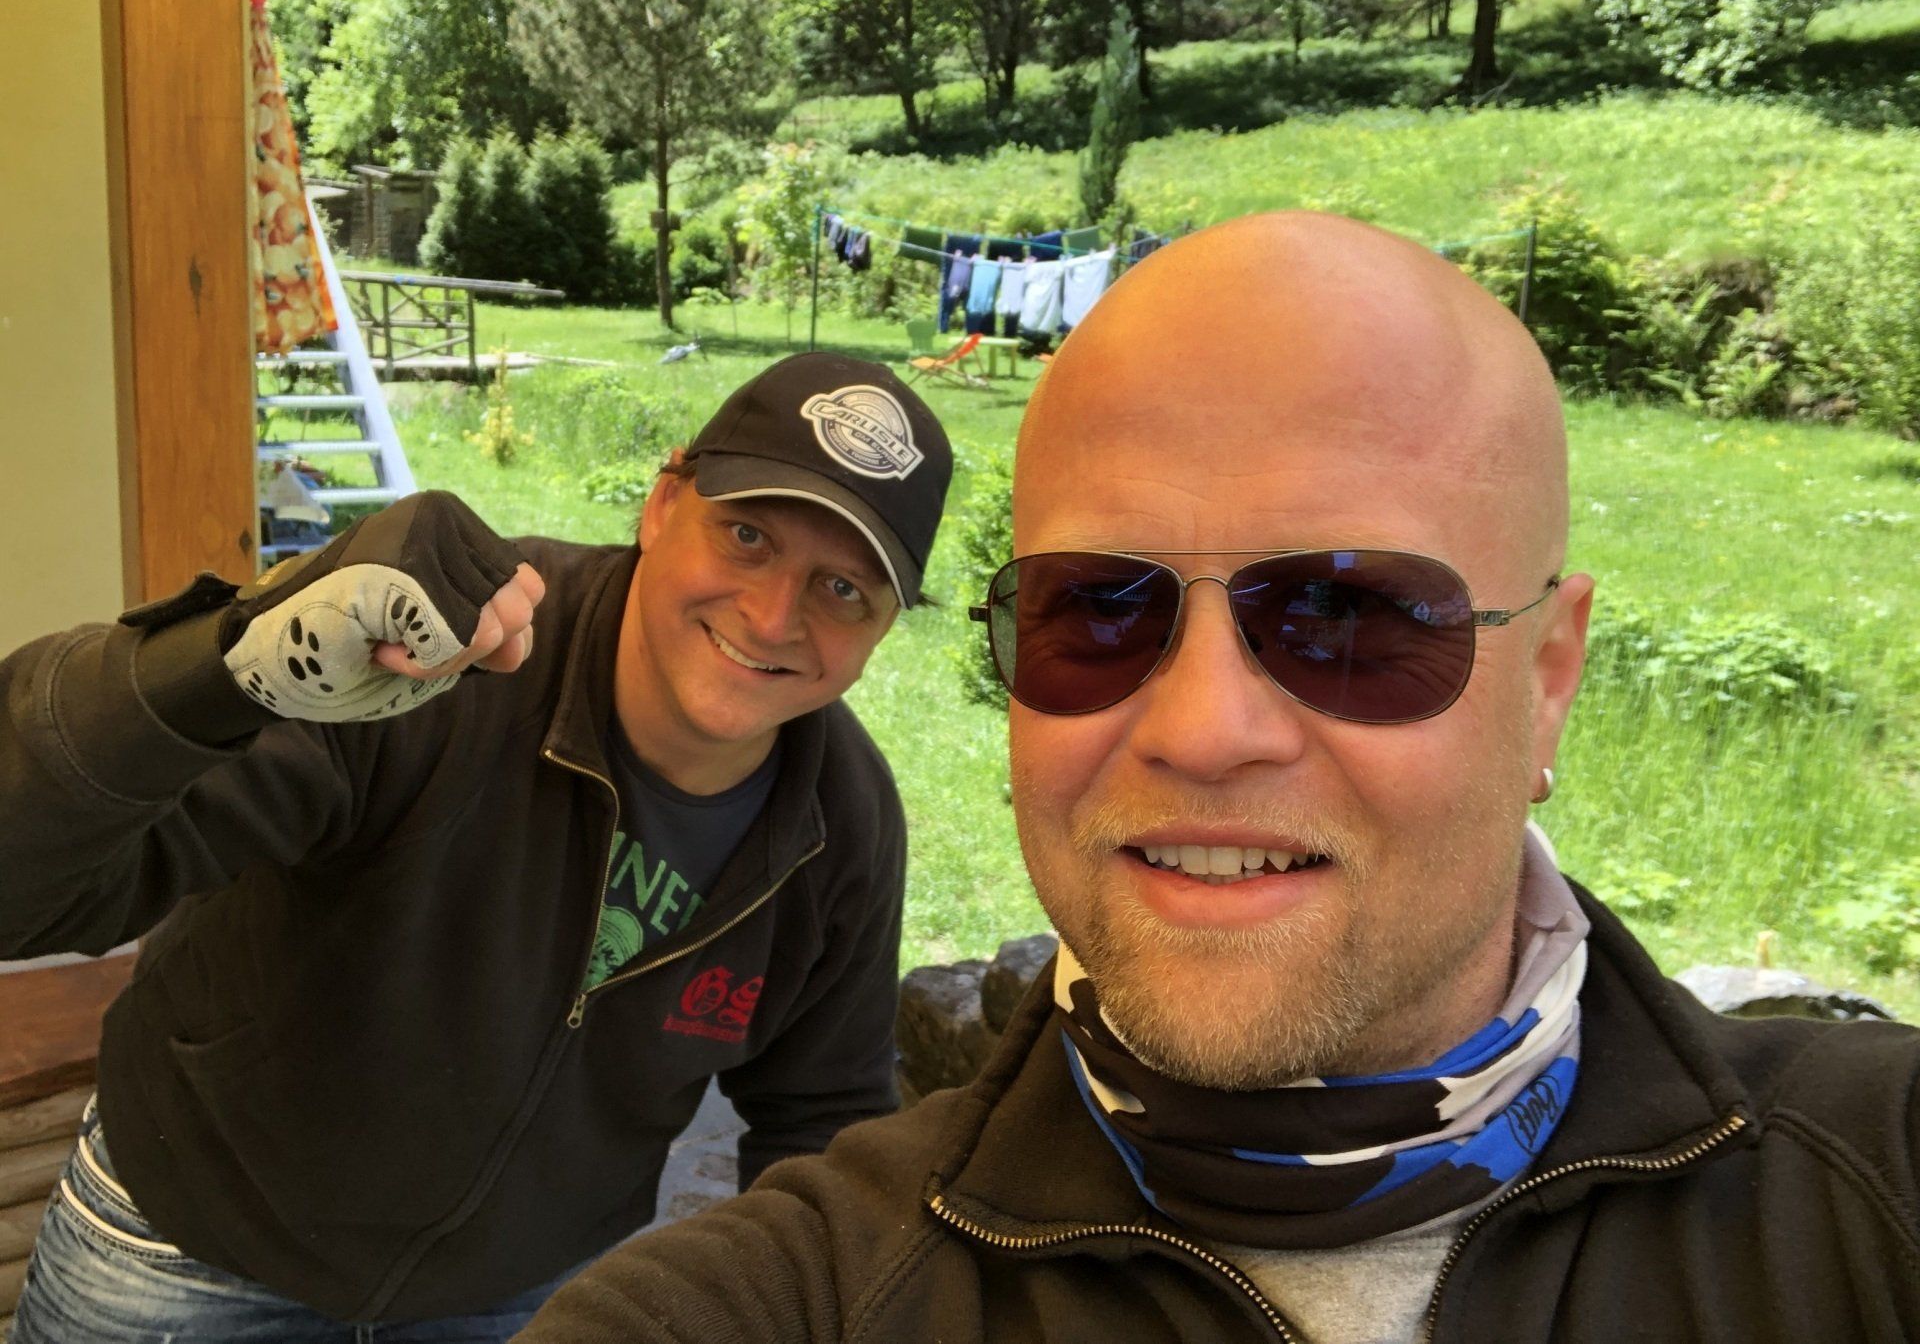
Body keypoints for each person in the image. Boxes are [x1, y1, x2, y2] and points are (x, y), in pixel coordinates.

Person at [512, 213, 1920, 1344]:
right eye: (1095, 610)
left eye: (1346, 615)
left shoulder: (1874, 1188)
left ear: (1547, 673)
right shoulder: (792, 1292)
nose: (1201, 728)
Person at [0, 351, 953, 1340]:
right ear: (664, 503)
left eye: (844, 588)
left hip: (512, 1297)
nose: (773, 615)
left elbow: (820, 1119)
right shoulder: (438, 665)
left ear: (885, 628)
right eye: (747, 535)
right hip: (188, 1251)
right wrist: (224, 662)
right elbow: (29, 892)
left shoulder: (842, 822)